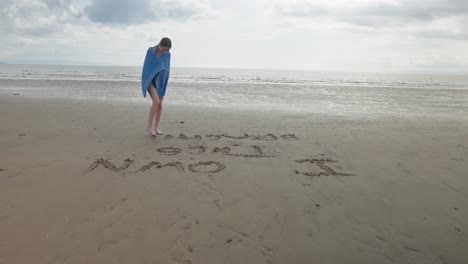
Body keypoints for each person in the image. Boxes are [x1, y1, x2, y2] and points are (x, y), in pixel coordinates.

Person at [144, 37, 171, 136]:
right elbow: (147, 66)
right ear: (160, 44)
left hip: (160, 80)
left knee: (160, 105)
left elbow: (166, 69)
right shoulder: (150, 52)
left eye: (167, 50)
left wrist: (164, 81)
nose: (165, 52)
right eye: (164, 49)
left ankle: (156, 127)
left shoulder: (168, 55)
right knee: (156, 101)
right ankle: (149, 126)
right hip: (150, 80)